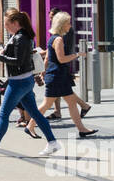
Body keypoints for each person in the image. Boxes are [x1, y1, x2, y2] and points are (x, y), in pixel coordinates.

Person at [0, 9, 61, 158]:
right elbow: (15, 54)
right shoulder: (20, 36)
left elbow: (18, 61)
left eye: (7, 24)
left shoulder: (21, 38)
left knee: (3, 114)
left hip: (18, 82)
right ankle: (53, 142)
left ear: (15, 23)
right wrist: (0, 47)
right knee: (34, 113)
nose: (6, 27)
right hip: (24, 80)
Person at [25, 12, 98, 140]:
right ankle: (30, 126)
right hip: (57, 77)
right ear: (62, 25)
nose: (70, 25)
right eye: (68, 23)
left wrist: (44, 70)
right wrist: (78, 55)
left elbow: (48, 57)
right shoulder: (58, 39)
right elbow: (62, 59)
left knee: (71, 103)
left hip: (59, 76)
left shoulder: (52, 38)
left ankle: (82, 129)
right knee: (46, 104)